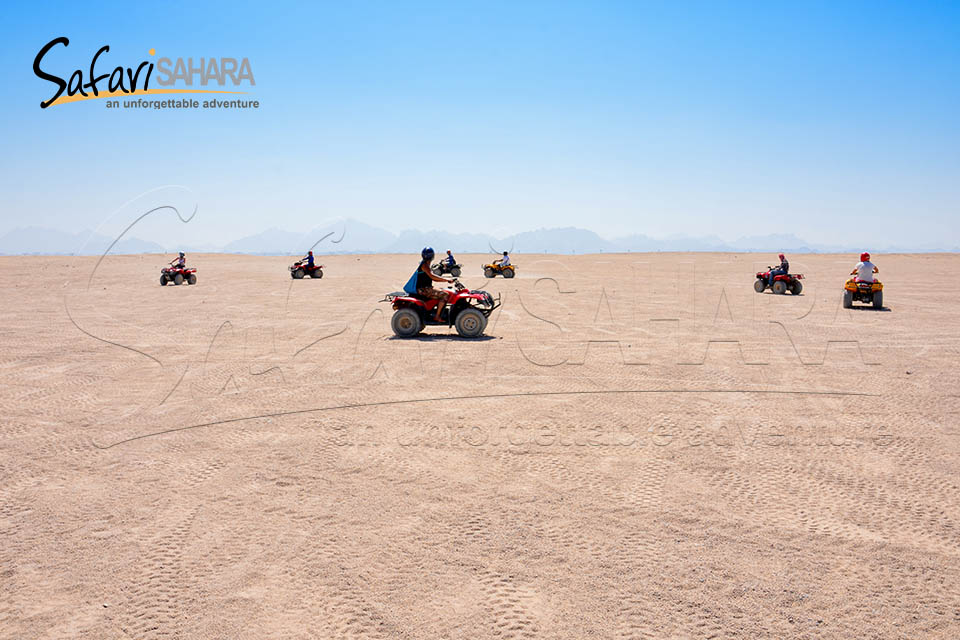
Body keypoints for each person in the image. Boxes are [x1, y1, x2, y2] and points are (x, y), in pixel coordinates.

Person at [413, 247, 454, 322]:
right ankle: (437, 316)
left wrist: (445, 280)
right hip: (424, 289)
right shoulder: (424, 265)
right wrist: (446, 279)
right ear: (432, 256)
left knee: (442, 290)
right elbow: (432, 276)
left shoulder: (425, 264)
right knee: (445, 295)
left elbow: (433, 277)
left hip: (425, 288)